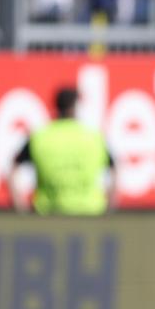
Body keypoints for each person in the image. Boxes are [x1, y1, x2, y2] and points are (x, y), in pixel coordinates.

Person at [9, 87, 116, 215]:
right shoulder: (94, 138)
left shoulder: (40, 137)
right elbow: (114, 170)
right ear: (76, 106)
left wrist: (21, 209)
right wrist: (110, 209)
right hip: (90, 214)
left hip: (49, 216)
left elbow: (13, 168)